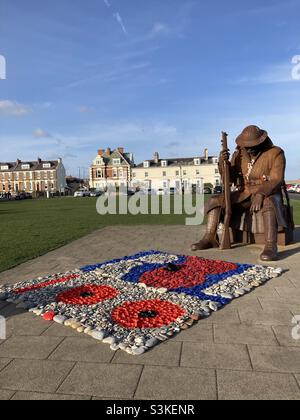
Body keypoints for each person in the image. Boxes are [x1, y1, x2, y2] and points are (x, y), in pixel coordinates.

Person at [192, 125, 289, 261]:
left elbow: (276, 179)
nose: (249, 148)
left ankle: (270, 245)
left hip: (268, 192)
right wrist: (222, 163)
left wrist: (261, 193)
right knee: (216, 201)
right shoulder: (240, 154)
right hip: (245, 192)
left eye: (252, 145)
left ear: (261, 141)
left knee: (269, 202)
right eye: (246, 145)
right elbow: (229, 178)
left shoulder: (275, 153)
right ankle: (210, 237)